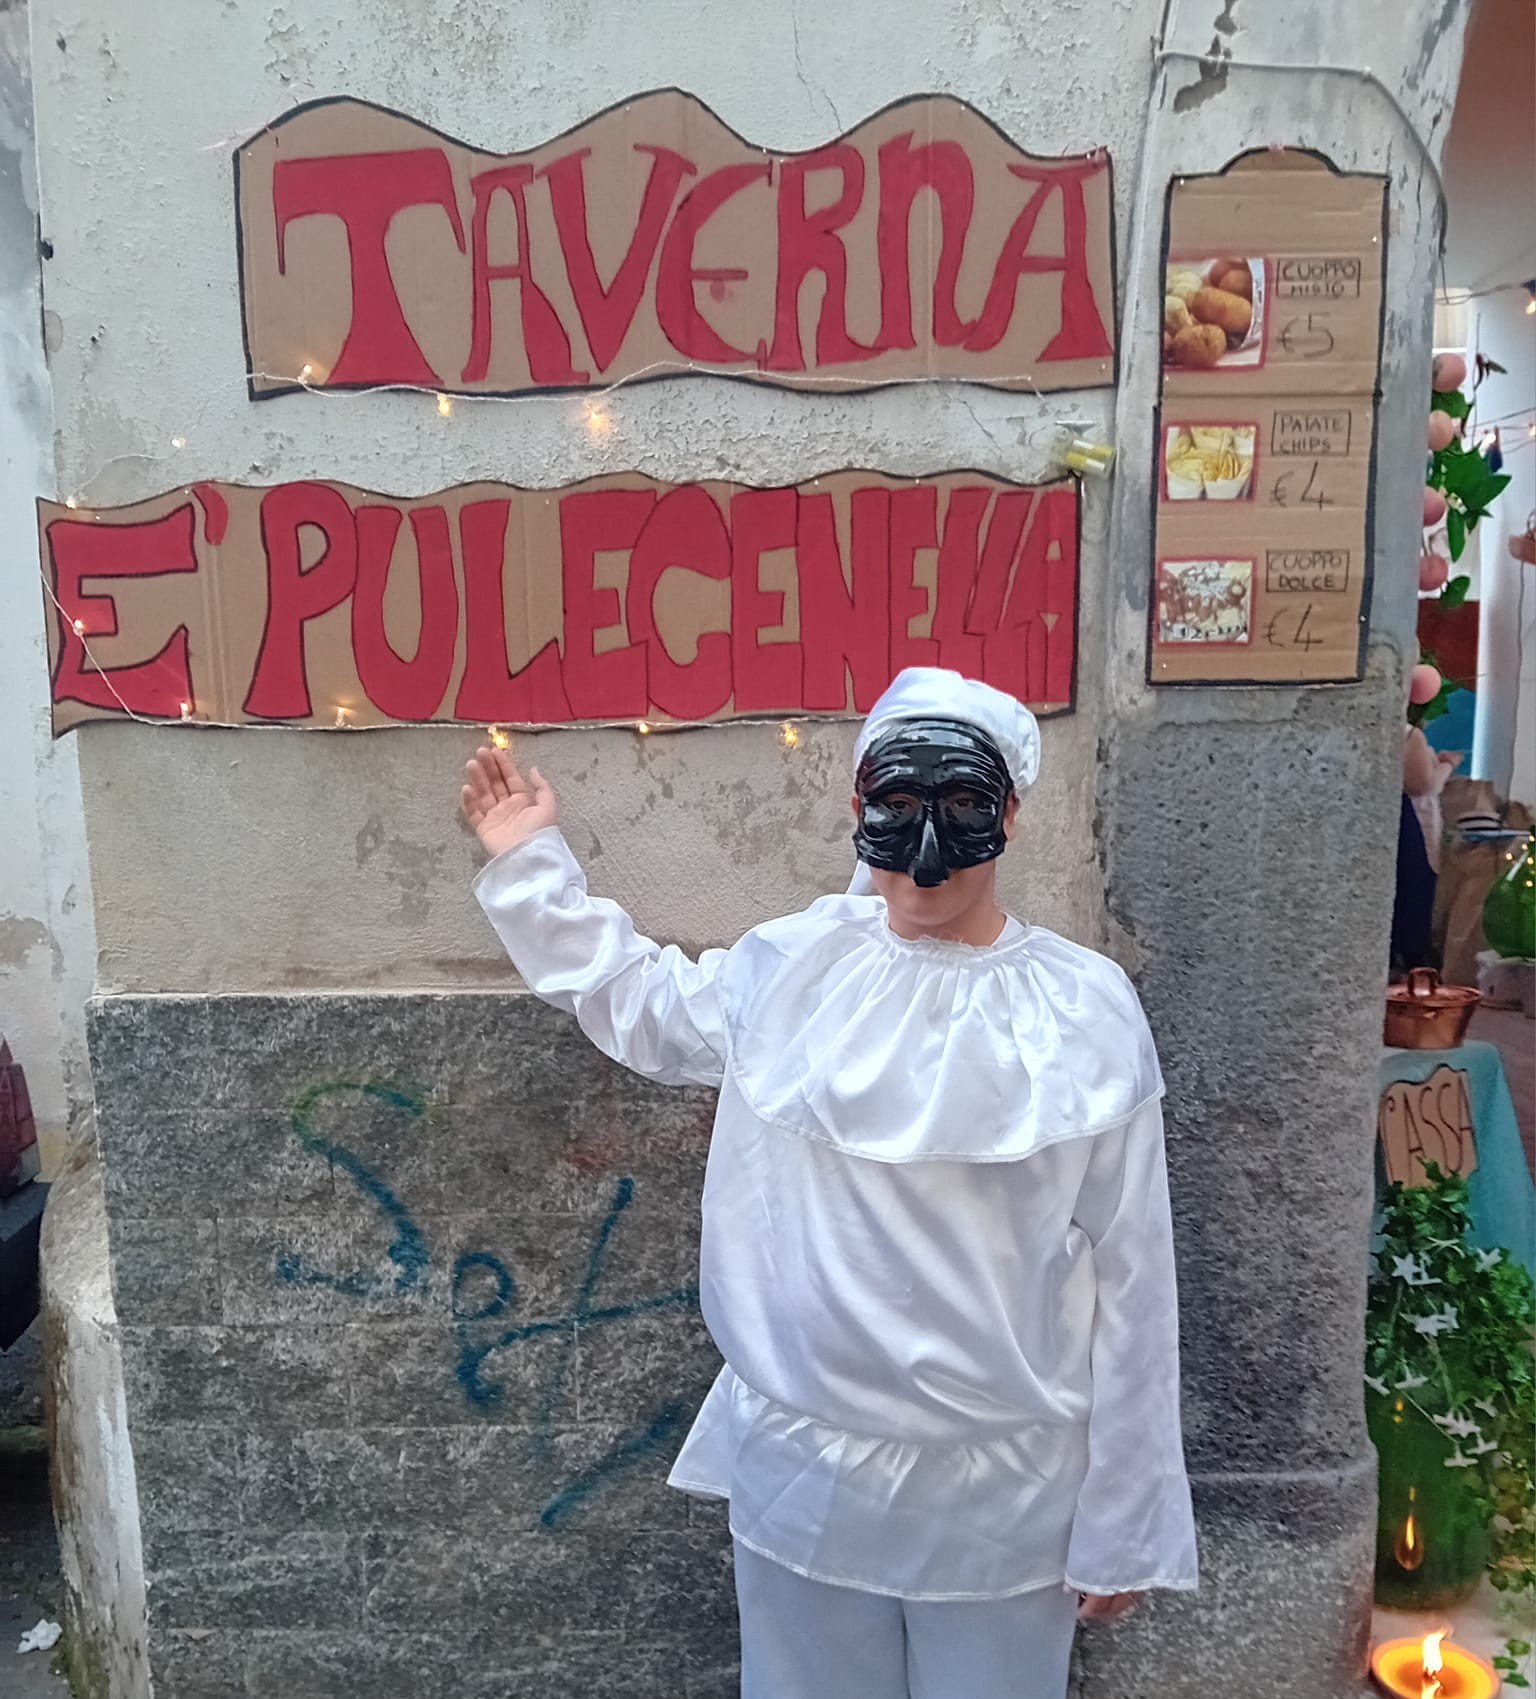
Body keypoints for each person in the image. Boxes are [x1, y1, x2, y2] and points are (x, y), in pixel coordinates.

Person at [462, 667, 1198, 1699]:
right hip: (805, 1473)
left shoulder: (1084, 1008)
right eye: (898, 810)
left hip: (1003, 1498)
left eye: (962, 810)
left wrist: (1125, 1515)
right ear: (859, 807)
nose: (928, 855)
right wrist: (531, 863)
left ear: (1011, 813)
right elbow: (641, 1002)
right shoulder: (791, 968)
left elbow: (1135, 1273)